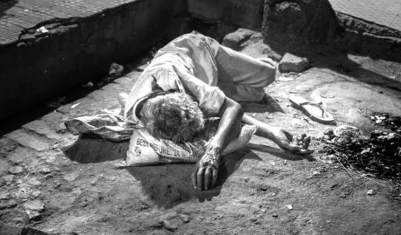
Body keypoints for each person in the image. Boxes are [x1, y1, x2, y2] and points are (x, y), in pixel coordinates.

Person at [123, 31, 313, 191]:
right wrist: (271, 131)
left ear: (182, 95)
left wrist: (213, 152)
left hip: (200, 51)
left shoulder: (179, 81)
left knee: (267, 75)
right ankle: (224, 87)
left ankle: (240, 61)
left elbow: (233, 109)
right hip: (206, 81)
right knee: (255, 94)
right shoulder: (135, 116)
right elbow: (229, 110)